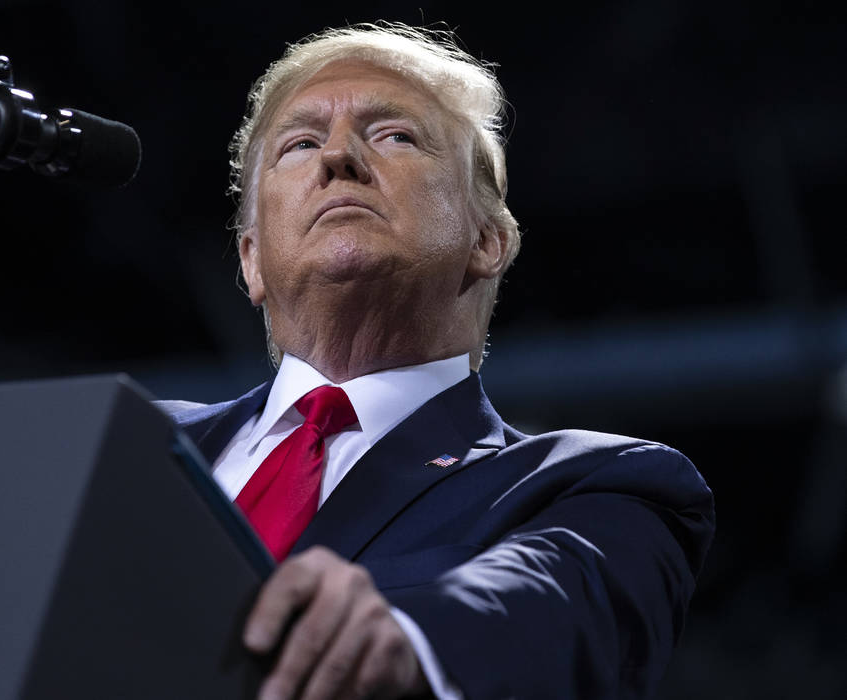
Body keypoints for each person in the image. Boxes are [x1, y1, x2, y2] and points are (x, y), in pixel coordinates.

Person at [161, 22, 714, 699]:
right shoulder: (128, 441)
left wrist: (406, 638)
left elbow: (545, 603)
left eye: (393, 135)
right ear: (250, 259)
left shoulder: (599, 488)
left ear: (487, 241)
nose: (338, 157)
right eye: (301, 143)